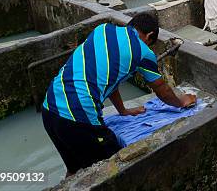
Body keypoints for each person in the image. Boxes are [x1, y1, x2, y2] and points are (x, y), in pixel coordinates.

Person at [42, 14, 196, 177]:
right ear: (149, 36)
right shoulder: (142, 51)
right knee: (114, 170)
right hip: (78, 115)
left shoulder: (103, 30)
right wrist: (181, 102)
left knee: (74, 172)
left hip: (49, 108)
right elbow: (161, 89)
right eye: (150, 44)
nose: (150, 48)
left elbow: (109, 79)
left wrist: (123, 111)